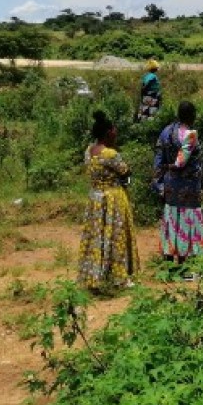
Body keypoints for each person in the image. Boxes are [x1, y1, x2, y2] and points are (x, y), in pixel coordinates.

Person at [77, 111, 139, 293]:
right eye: (113, 130)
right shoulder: (111, 154)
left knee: (96, 238)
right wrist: (124, 183)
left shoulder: (89, 151)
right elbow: (126, 173)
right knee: (116, 237)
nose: (115, 133)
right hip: (113, 200)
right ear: (107, 133)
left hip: (95, 199)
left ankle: (93, 276)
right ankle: (119, 277)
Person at [153, 101, 203, 276]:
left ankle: (168, 266)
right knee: (186, 223)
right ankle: (184, 268)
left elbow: (158, 160)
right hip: (187, 187)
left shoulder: (166, 131)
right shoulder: (190, 135)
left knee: (171, 221)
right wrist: (173, 166)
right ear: (192, 115)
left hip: (170, 185)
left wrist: (159, 184)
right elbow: (181, 161)